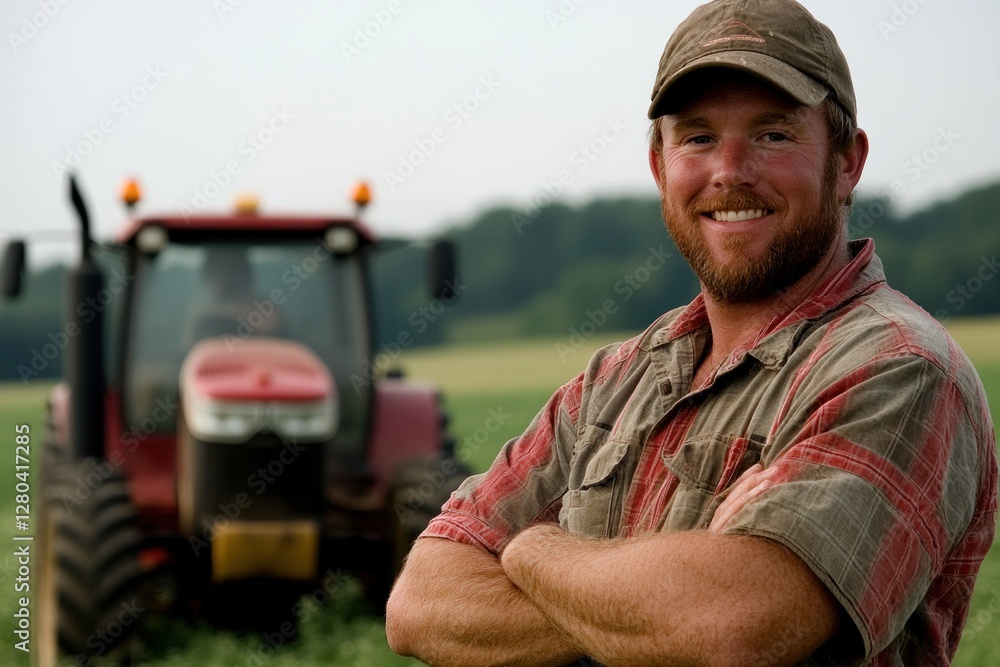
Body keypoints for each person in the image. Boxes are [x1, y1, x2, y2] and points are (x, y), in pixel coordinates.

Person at [386, 0, 998, 664]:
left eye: (774, 135)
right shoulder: (613, 381)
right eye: (698, 138)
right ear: (660, 165)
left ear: (847, 162)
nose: (729, 171)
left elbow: (735, 625)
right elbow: (418, 604)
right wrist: (660, 599)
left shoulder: (897, 367)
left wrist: (531, 548)